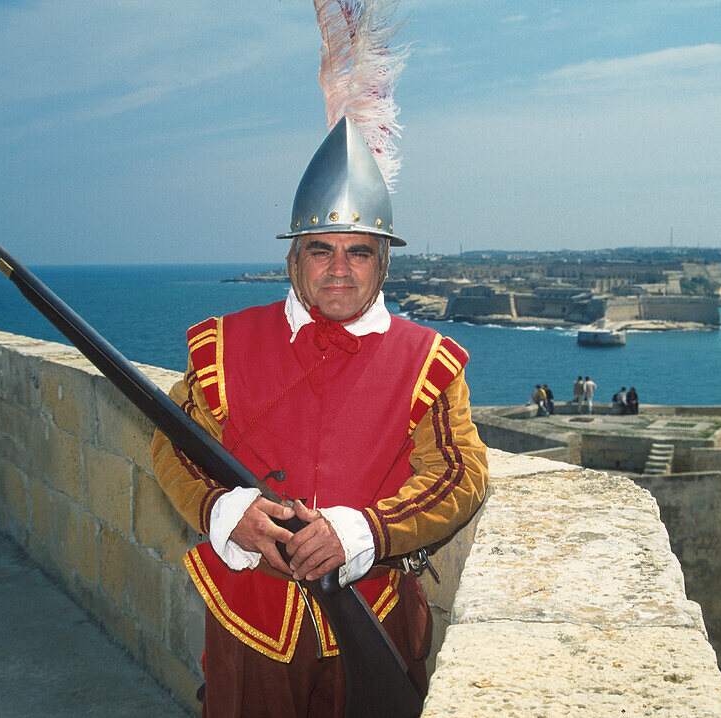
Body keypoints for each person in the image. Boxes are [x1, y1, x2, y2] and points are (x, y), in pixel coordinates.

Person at [150, 94, 489, 717]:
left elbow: (458, 473)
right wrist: (229, 512)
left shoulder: (428, 361)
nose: (340, 270)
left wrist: (360, 531)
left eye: (358, 251)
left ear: (382, 261)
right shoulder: (223, 346)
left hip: (375, 613)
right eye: (321, 250)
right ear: (293, 256)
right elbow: (177, 444)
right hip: (248, 619)